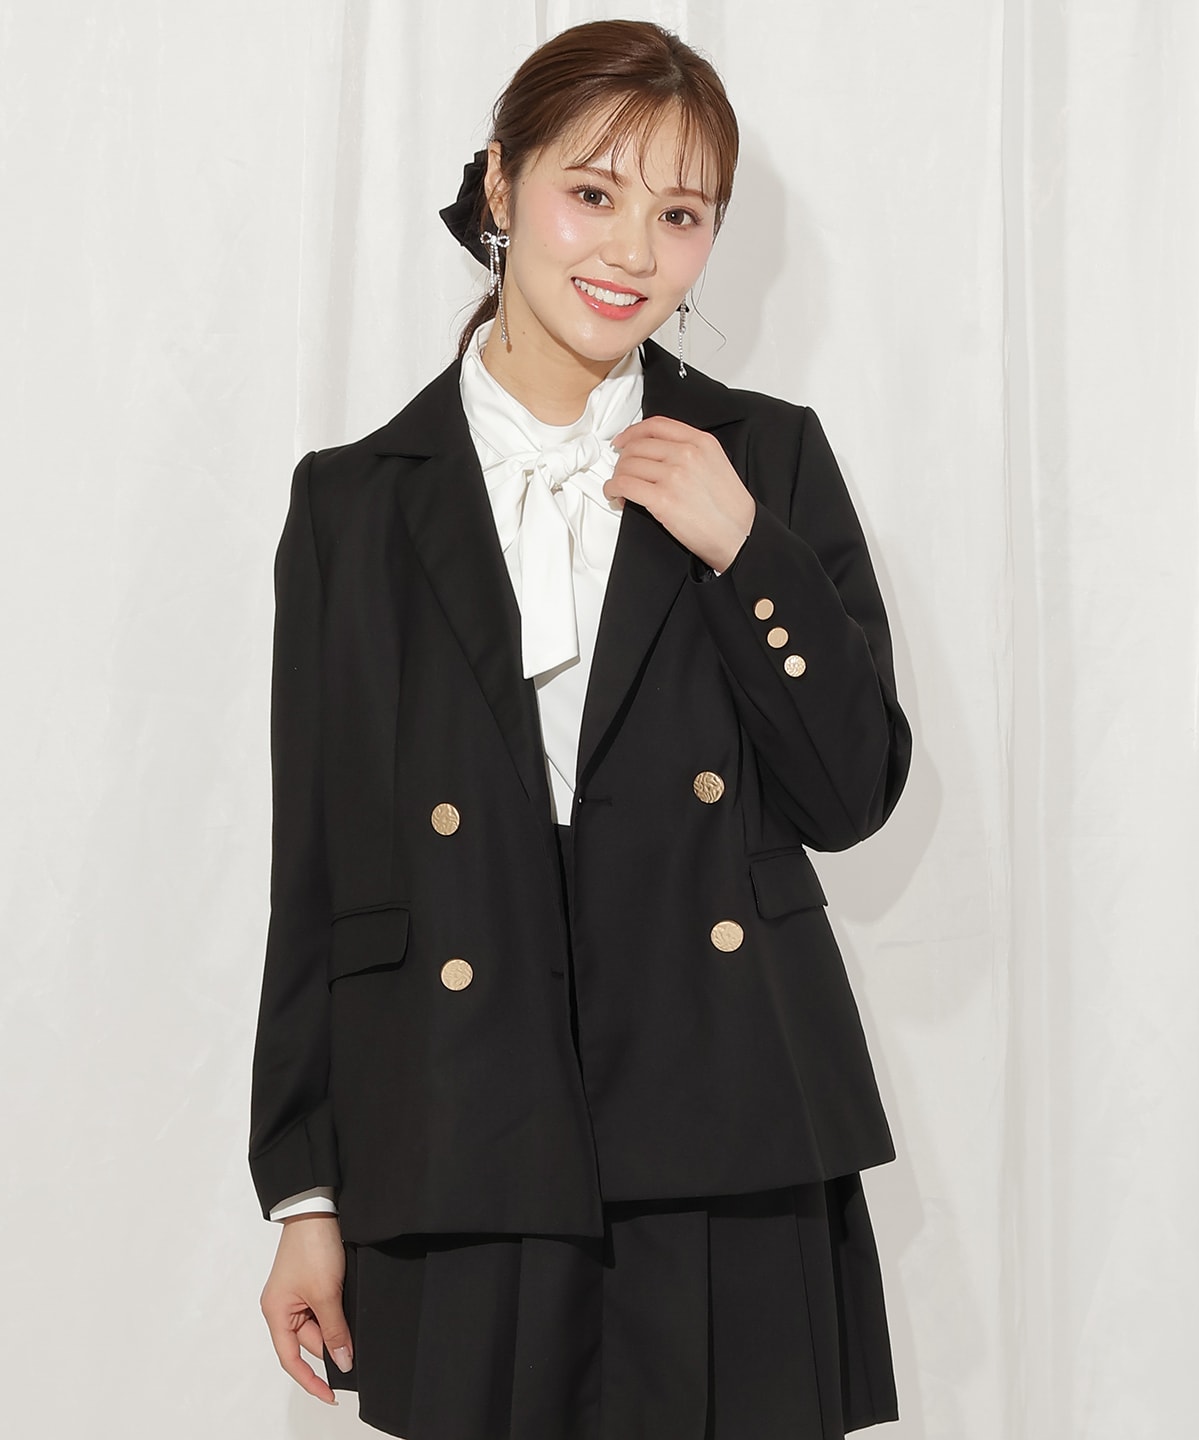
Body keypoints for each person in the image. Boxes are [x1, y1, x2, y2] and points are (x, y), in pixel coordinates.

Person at [249, 18, 912, 1439]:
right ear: (501, 183)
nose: (632, 253)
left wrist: (746, 552)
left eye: (681, 215)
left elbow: (852, 794)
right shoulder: (354, 505)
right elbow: (322, 868)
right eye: (592, 193)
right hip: (460, 1126)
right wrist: (305, 1192)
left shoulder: (766, 457)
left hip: (727, 1123)